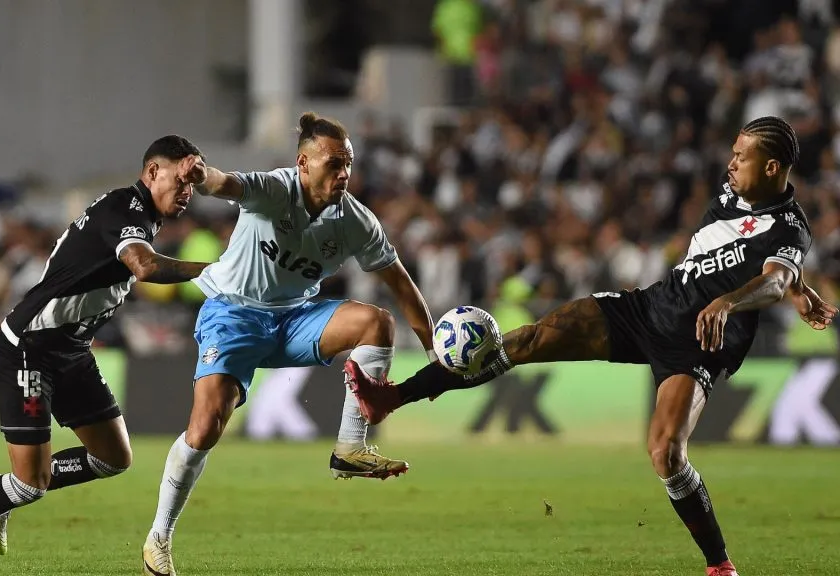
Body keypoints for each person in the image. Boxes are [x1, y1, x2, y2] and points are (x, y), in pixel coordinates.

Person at [346, 116, 838, 576]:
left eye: (741, 156)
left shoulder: (790, 227)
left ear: (771, 167)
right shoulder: (735, 192)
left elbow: (773, 278)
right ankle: (391, 398)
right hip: (649, 309)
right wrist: (799, 290)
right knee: (524, 339)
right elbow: (772, 270)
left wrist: (750, 297)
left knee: (666, 453)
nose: (730, 164)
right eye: (732, 154)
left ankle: (719, 565)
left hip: (698, 345)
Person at [141, 112, 439, 575]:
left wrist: (435, 354)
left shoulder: (356, 221)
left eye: (349, 165)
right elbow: (226, 184)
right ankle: (158, 537)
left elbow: (401, 286)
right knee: (203, 431)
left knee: (376, 323)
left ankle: (349, 449)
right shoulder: (275, 189)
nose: (343, 174)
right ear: (303, 162)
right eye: (334, 164)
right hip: (233, 312)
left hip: (294, 319)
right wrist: (201, 177)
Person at [0, 136, 211, 575]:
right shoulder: (125, 211)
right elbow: (144, 268)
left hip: (70, 352)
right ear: (151, 172)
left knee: (113, 457)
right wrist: (217, 271)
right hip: (29, 347)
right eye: (181, 179)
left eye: (193, 185)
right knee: (30, 484)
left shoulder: (141, 216)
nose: (187, 191)